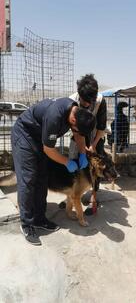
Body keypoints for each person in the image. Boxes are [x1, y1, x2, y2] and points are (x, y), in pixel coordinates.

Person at [11, 97, 95, 245]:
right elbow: (49, 149)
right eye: (77, 129)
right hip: (25, 136)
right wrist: (67, 162)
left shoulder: (77, 112)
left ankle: (39, 218)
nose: (77, 132)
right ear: (73, 122)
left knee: (42, 178)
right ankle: (27, 224)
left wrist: (83, 154)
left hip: (40, 138)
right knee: (28, 178)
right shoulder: (54, 117)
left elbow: (79, 135)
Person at [67, 74, 107, 215]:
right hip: (76, 136)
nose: (88, 104)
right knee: (73, 164)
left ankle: (93, 198)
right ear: (79, 95)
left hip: (95, 135)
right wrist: (81, 147)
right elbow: (71, 128)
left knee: (97, 168)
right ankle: (71, 196)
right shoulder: (72, 101)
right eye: (85, 101)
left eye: (91, 101)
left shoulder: (100, 100)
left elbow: (101, 126)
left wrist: (94, 145)